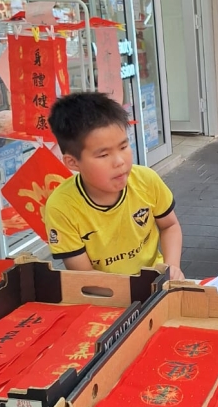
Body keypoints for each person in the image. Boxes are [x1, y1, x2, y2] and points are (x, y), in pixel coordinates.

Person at [44, 92, 184, 276]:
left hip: (155, 282)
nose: (119, 161)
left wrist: (172, 267)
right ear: (73, 162)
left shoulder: (146, 180)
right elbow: (84, 275)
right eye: (104, 155)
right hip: (104, 290)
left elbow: (169, 226)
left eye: (123, 147)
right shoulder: (61, 207)